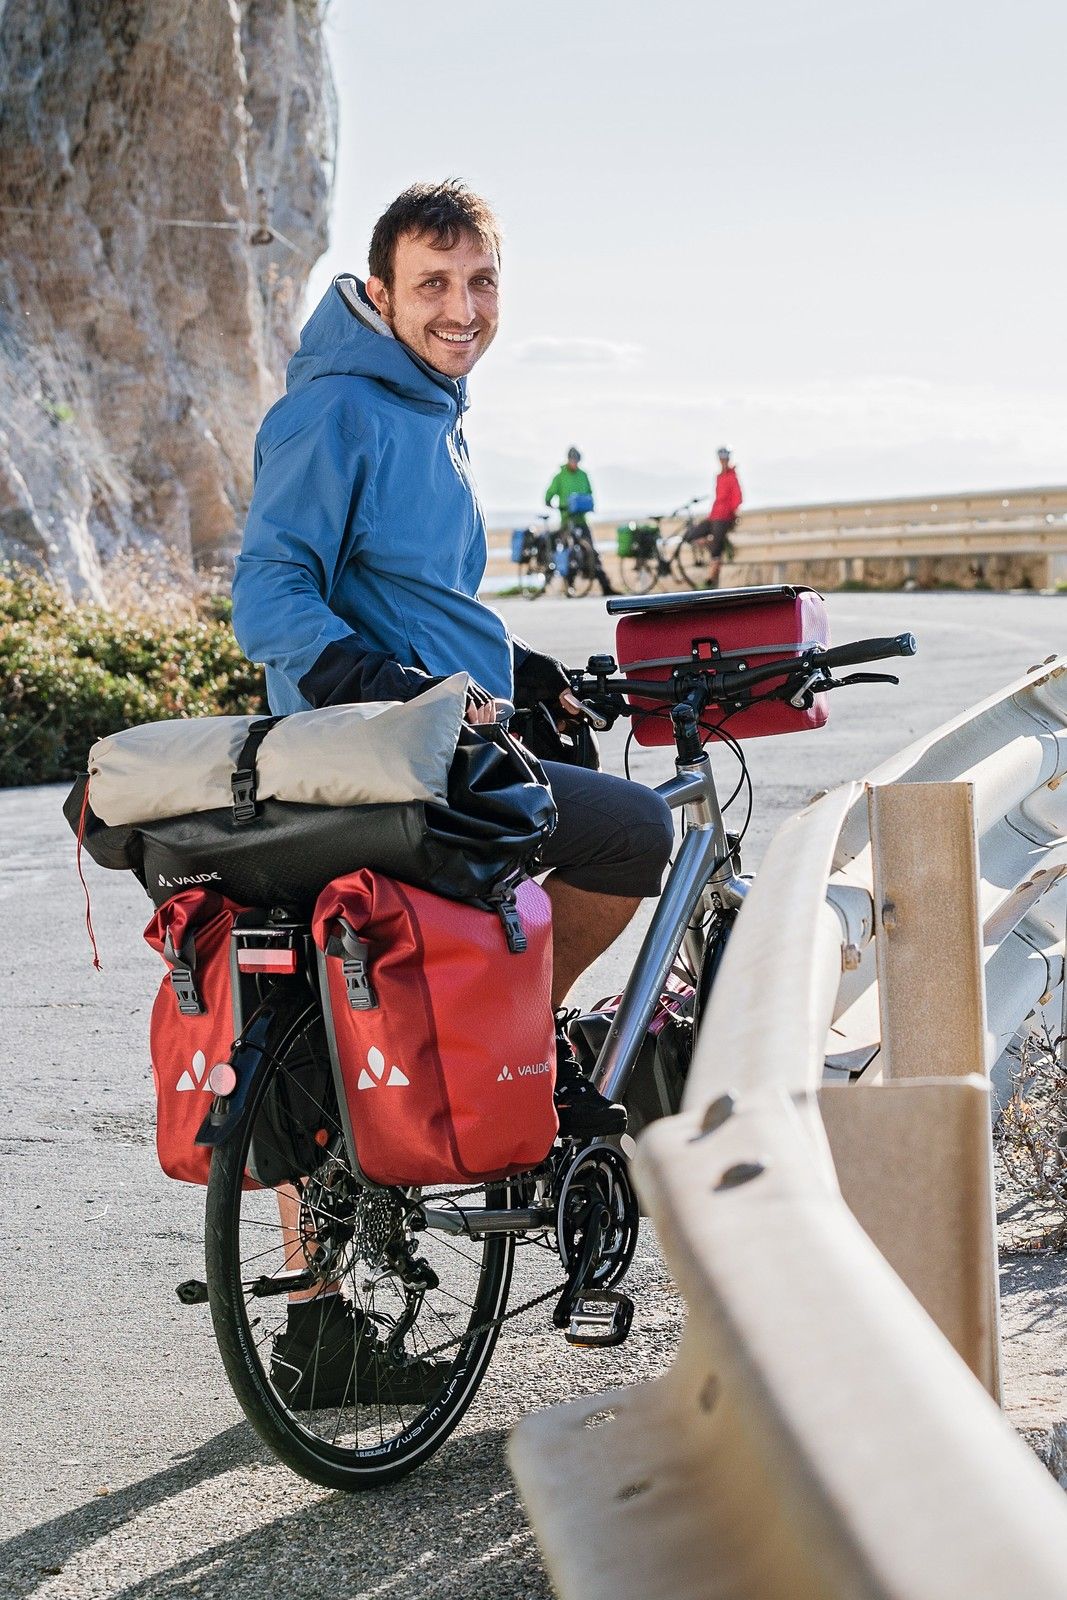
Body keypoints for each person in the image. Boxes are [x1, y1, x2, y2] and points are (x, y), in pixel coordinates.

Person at [231, 182, 674, 1396]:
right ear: (379, 294)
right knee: (633, 833)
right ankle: (505, 1053)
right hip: (374, 758)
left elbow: (411, 591)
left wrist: (519, 675)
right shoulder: (339, 410)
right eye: (432, 284)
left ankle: (323, 1333)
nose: (460, 307)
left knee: (316, 1009)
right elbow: (270, 600)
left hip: (403, 742)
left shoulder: (426, 407)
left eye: (479, 282)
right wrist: (410, 691)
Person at [544, 446, 617, 596]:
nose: (574, 463)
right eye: (572, 460)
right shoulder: (560, 476)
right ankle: (569, 586)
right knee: (568, 554)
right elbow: (549, 495)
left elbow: (589, 493)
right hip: (567, 521)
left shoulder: (583, 475)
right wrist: (551, 503)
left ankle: (606, 587)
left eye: (577, 460)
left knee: (592, 552)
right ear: (568, 459)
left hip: (581, 519)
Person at [688, 447, 743, 587]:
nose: (723, 461)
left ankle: (711, 577)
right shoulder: (719, 476)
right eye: (721, 458)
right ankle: (709, 544)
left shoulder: (732, 477)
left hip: (724, 517)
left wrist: (731, 512)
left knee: (717, 543)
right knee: (692, 534)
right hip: (713, 516)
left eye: (725, 458)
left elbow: (738, 498)